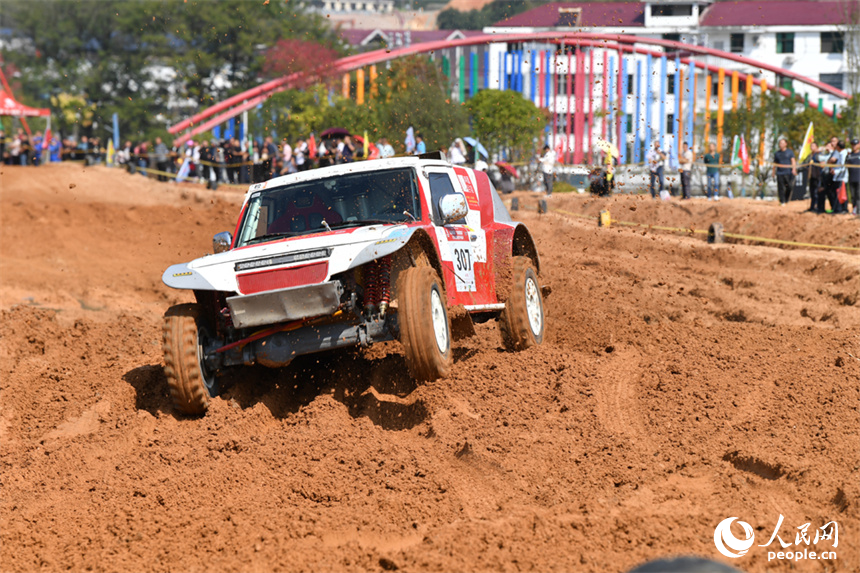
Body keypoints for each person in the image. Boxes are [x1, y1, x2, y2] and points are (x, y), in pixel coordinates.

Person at [772, 138, 796, 206]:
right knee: (781, 188)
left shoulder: (790, 152)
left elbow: (793, 161)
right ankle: (782, 201)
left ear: (786, 144)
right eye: (780, 143)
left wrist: (794, 169)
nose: (781, 144)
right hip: (780, 173)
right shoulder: (777, 153)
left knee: (789, 187)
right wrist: (773, 172)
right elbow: (775, 164)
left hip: (788, 172)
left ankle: (786, 199)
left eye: (782, 143)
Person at [832, 140, 849, 213]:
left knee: (842, 193)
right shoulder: (841, 153)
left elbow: (843, 167)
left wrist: (835, 171)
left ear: (838, 147)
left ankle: (843, 209)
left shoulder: (843, 154)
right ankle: (839, 209)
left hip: (842, 177)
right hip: (839, 176)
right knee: (839, 193)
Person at [807, 141, 823, 212]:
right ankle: (812, 206)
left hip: (817, 175)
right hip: (812, 176)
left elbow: (822, 164)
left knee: (816, 192)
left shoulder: (818, 155)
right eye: (811, 146)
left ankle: (816, 206)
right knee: (812, 192)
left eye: (813, 146)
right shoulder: (810, 156)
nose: (812, 147)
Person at [846, 138, 860, 216]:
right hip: (851, 178)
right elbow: (845, 164)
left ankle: (859, 211)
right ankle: (854, 210)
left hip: (859, 178)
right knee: (853, 196)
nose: (854, 146)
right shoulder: (849, 155)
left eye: (855, 144)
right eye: (852, 144)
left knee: (859, 195)